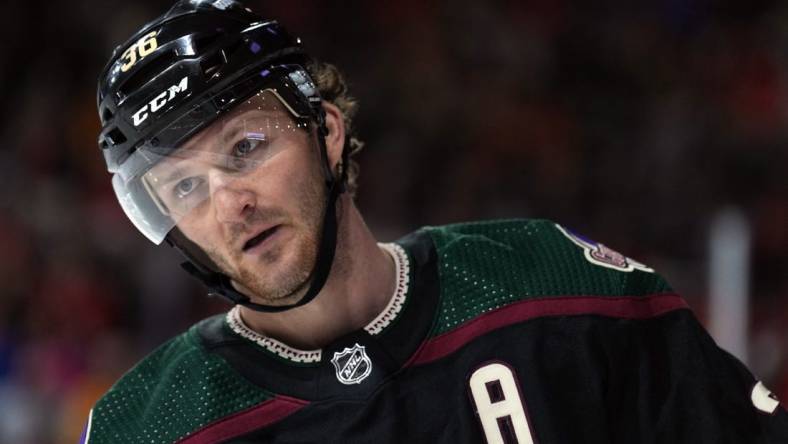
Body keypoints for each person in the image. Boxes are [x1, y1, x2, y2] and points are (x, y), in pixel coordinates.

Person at [82, 1, 788, 443]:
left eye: (246, 147)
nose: (228, 203)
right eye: (183, 187)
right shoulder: (147, 428)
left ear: (324, 130)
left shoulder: (548, 286)